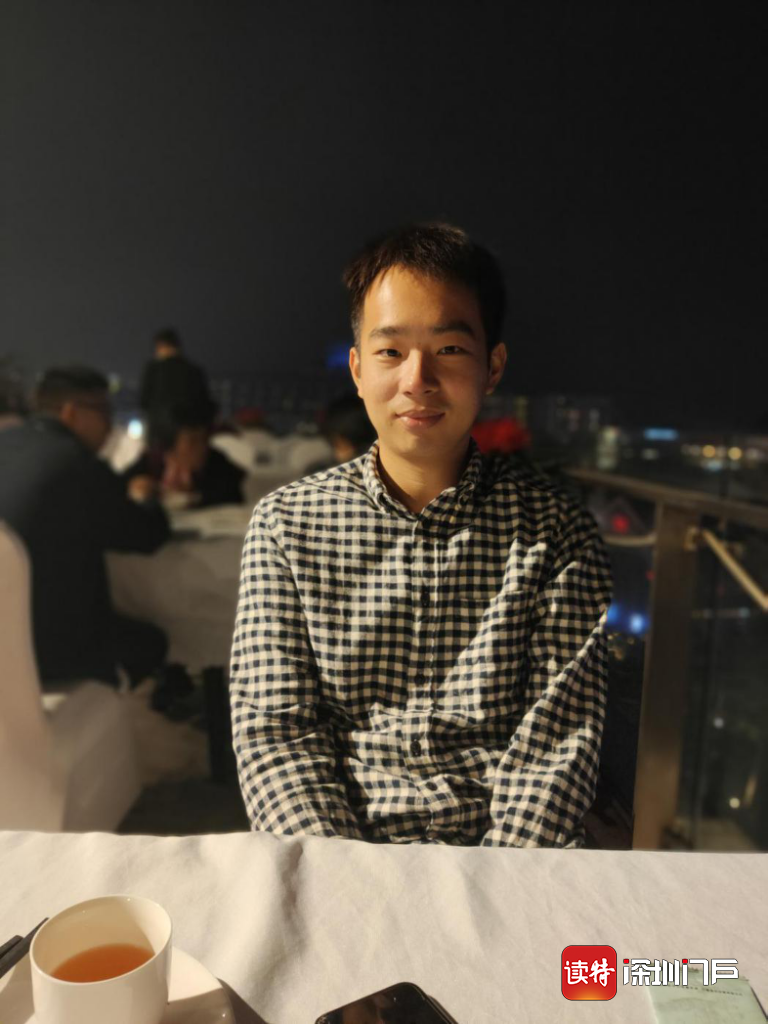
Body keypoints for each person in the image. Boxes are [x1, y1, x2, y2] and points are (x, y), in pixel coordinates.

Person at [230, 223, 613, 847]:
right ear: (357, 369)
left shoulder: (554, 533)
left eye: (450, 349)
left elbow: (556, 744)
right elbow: (278, 734)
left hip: (501, 860)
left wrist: (494, 888)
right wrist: (343, 880)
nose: (417, 379)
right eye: (390, 352)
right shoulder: (287, 524)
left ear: (492, 367)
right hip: (340, 854)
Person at [0, 366, 170, 687]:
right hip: (46, 654)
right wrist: (147, 498)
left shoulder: (7, 444)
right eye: (103, 411)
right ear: (71, 412)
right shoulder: (76, 463)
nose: (109, 425)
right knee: (153, 642)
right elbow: (148, 535)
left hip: (5, 640)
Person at [123, 407, 245, 508]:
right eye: (192, 441)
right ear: (173, 442)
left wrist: (195, 496)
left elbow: (234, 495)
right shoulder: (155, 459)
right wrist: (141, 487)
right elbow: (123, 484)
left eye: (203, 439)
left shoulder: (215, 460)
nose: (200, 447)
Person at [138, 327, 214, 446]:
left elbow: (143, 401)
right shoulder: (194, 371)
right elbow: (205, 404)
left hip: (159, 436)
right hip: (188, 439)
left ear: (160, 346)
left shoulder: (154, 370)